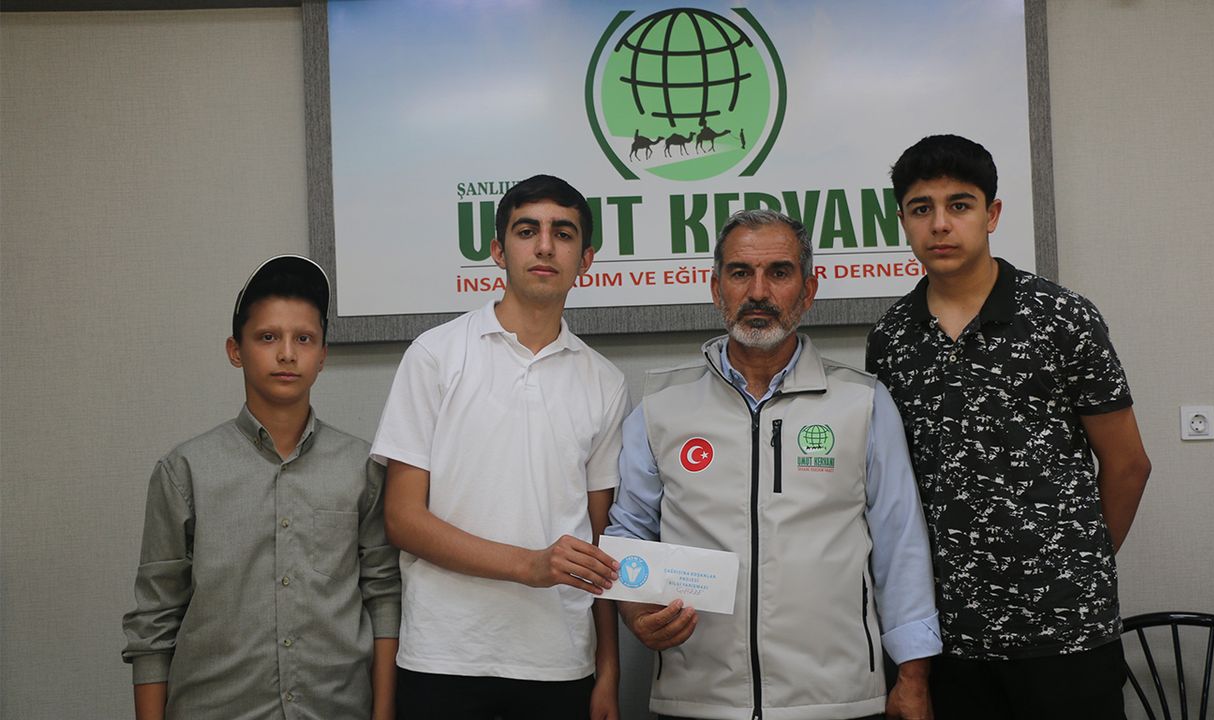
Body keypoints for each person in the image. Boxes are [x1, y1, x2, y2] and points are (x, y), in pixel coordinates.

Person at [607, 209, 942, 720]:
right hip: (698, 698)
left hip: (837, 700)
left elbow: (902, 546)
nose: (758, 291)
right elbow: (629, 532)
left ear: (808, 291)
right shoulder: (660, 407)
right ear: (716, 288)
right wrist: (635, 611)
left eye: (779, 273)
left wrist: (914, 677)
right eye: (740, 272)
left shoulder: (862, 403)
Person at [865, 135, 1153, 719]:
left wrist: (1079, 566)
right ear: (903, 221)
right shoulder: (892, 338)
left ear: (992, 214)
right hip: (947, 639)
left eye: (960, 205)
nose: (940, 224)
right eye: (921, 209)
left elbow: (1128, 464)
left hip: (1066, 633)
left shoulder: (1061, 317)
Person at [371, 174, 629, 720]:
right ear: (497, 250)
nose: (544, 246)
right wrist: (528, 565)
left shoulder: (605, 382)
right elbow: (402, 518)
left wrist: (608, 669)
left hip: (560, 661)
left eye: (563, 233)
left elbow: (601, 542)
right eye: (527, 231)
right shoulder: (435, 355)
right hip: (443, 655)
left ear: (586, 259)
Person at [121, 254, 402, 720]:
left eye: (304, 339)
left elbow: (384, 596)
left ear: (322, 356)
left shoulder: (362, 467)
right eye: (268, 337)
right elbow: (155, 618)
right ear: (235, 351)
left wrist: (384, 712)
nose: (287, 353)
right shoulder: (184, 470)